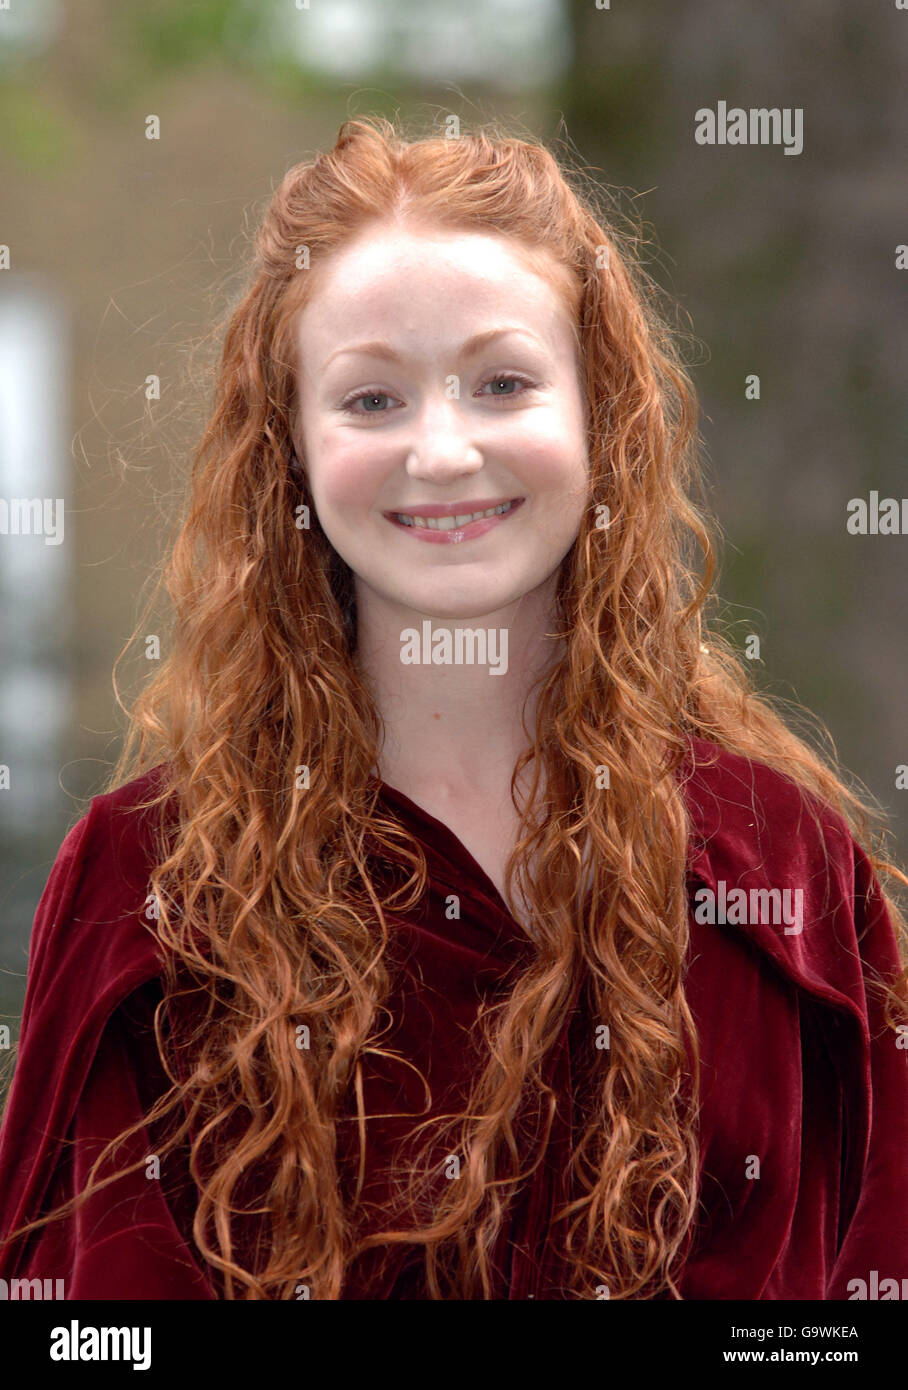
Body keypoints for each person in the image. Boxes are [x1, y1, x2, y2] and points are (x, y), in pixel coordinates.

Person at [0, 115, 906, 1302]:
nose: (440, 450)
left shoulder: (780, 868)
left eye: (502, 382)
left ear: (601, 422)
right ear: (289, 452)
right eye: (371, 399)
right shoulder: (147, 888)